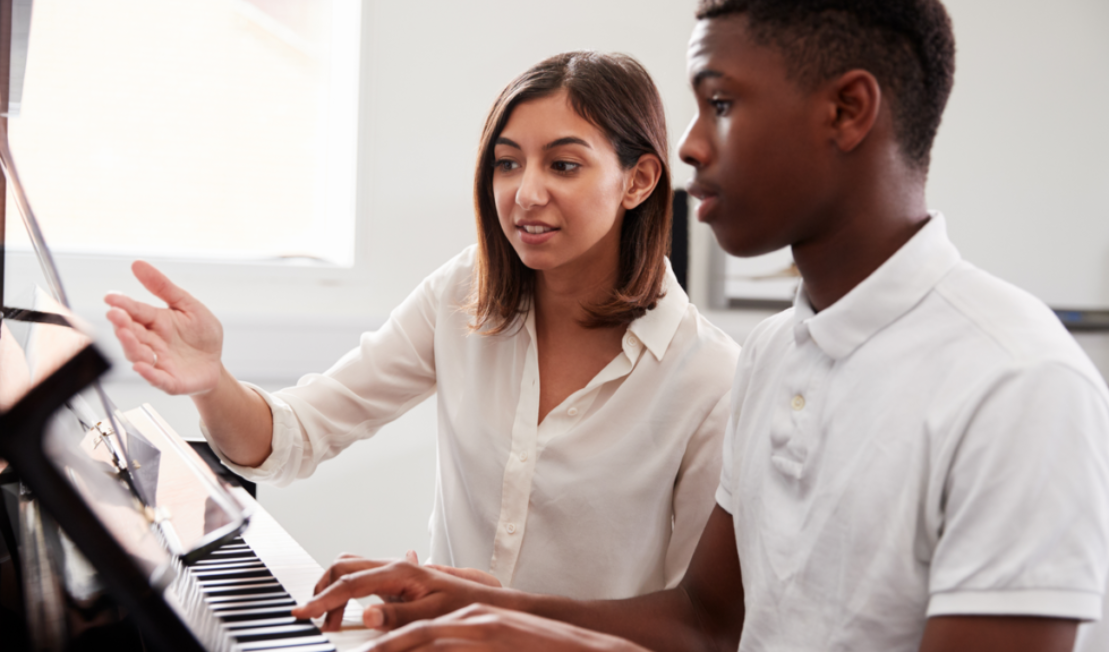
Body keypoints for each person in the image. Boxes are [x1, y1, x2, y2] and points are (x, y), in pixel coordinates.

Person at [291, 0, 1109, 651]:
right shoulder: (777, 353)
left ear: (847, 111)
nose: (688, 146)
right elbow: (704, 621)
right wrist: (482, 604)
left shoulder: (1019, 386)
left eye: (719, 103)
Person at [104, 51, 739, 601]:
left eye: (563, 166)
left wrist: (498, 621)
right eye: (507, 163)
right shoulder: (464, 293)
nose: (524, 193)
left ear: (639, 180)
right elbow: (295, 438)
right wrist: (212, 382)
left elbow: (692, 623)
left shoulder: (711, 378)